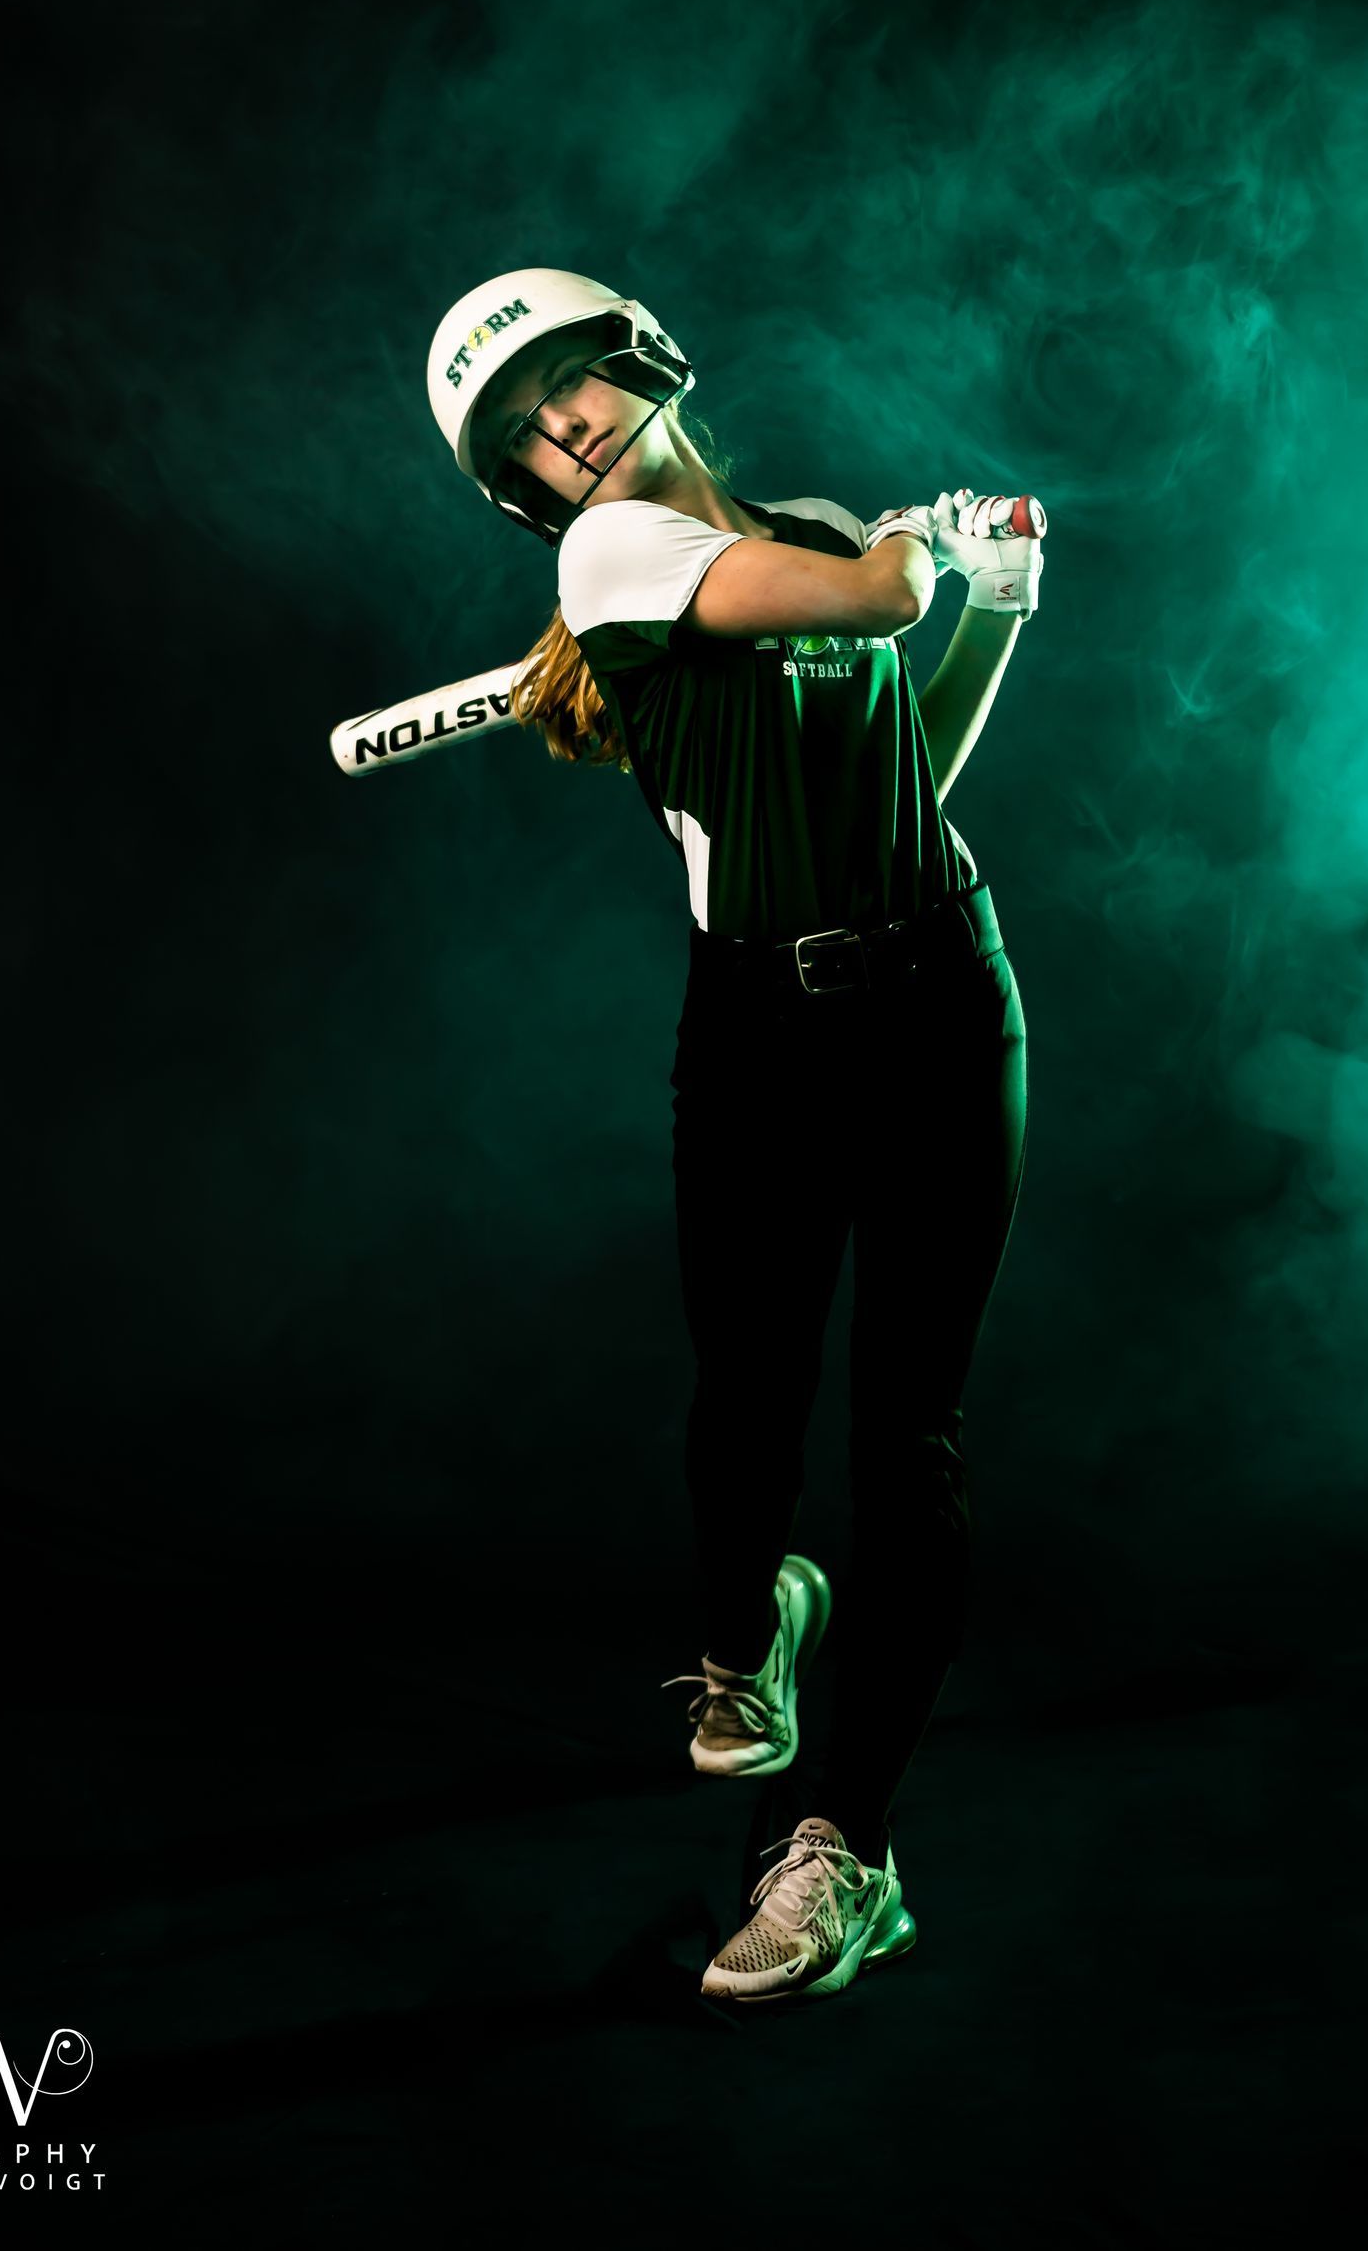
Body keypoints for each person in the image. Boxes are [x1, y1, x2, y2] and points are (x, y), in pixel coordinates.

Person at [424, 269, 1037, 2003]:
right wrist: (924, 554)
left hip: (942, 995)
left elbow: (905, 765)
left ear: (640, 357)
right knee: (749, 1398)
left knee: (909, 1436)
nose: (561, 431)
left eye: (568, 383)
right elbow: (877, 593)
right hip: (764, 1032)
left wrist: (995, 601)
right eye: (522, 433)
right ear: (523, 486)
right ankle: (747, 1624)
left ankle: (846, 1850)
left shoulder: (804, 533)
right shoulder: (613, 558)